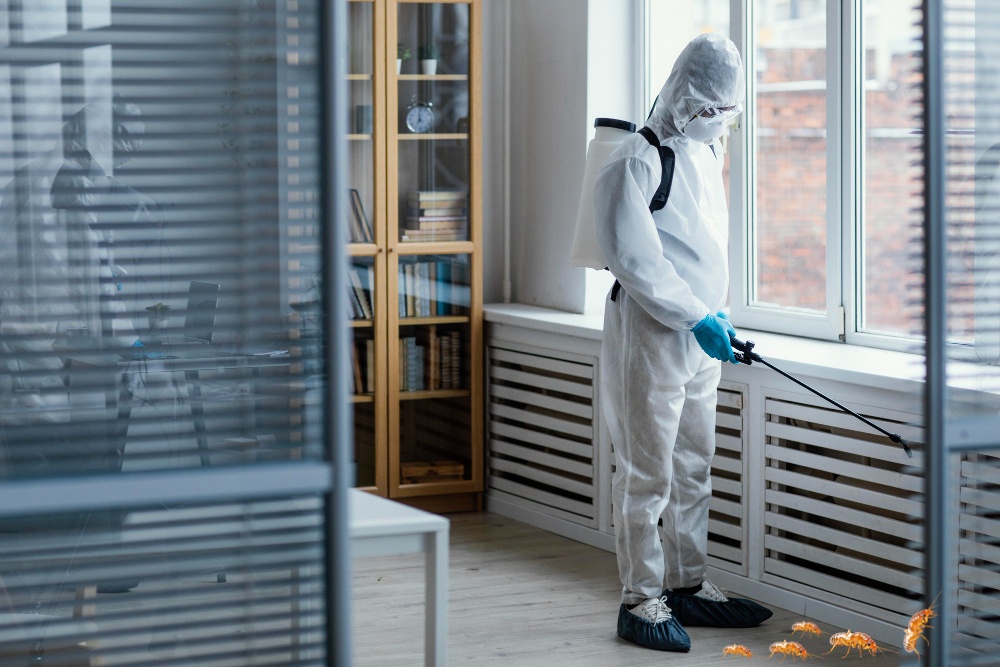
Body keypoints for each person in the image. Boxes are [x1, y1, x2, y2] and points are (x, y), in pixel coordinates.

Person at [593, 33, 772, 652]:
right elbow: (635, 260)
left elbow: (701, 245)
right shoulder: (635, 159)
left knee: (695, 462)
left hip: (701, 333)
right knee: (647, 469)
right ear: (681, 95)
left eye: (725, 111)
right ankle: (641, 598)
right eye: (706, 109)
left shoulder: (704, 152)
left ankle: (689, 584)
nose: (715, 120)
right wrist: (695, 315)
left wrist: (714, 316)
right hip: (650, 332)